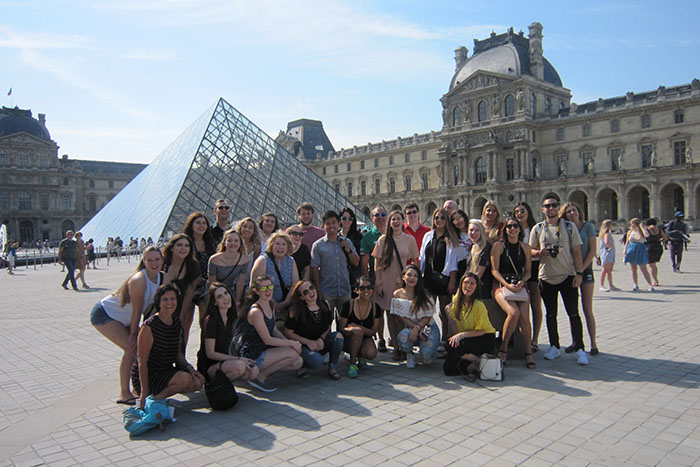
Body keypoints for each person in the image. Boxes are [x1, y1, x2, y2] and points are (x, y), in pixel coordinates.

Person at [91, 246, 165, 403]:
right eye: (149, 260)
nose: (154, 263)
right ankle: (124, 393)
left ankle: (135, 388)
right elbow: (137, 312)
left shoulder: (161, 278)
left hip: (123, 318)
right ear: (143, 261)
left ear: (162, 260)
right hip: (105, 314)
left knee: (140, 349)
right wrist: (133, 335)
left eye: (157, 259)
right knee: (132, 349)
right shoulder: (139, 279)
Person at [529, 195, 588, 365]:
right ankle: (554, 346)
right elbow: (530, 251)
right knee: (551, 314)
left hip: (568, 275)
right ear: (543, 209)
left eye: (554, 205)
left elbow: (577, 252)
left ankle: (580, 348)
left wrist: (579, 273)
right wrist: (540, 253)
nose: (551, 208)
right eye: (547, 206)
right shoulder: (538, 229)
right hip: (546, 276)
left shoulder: (569, 227)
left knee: (573, 313)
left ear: (558, 207)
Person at [133, 284, 204, 409]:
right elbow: (142, 362)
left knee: (197, 383)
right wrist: (144, 391)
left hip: (165, 369)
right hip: (149, 373)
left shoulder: (176, 322)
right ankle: (153, 400)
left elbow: (177, 354)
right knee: (184, 379)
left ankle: (160, 393)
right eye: (165, 299)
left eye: (173, 299)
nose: (169, 303)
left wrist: (191, 369)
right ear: (158, 302)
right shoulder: (150, 326)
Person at [234, 274, 303, 392]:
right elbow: (268, 339)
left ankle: (260, 372)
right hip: (253, 352)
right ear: (256, 291)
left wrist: (288, 342)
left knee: (297, 362)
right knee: (292, 354)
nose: (268, 291)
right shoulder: (256, 311)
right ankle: (260, 377)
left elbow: (274, 329)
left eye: (270, 287)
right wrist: (291, 344)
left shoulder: (270, 304)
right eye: (264, 288)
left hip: (265, 349)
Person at [373, 210, 419, 361]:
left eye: (398, 219)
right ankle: (397, 348)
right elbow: (377, 263)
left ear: (402, 220)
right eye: (393, 219)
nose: (395, 222)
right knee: (390, 316)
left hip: (402, 282)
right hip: (386, 281)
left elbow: (415, 261)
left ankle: (403, 345)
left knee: (402, 315)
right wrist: (378, 282)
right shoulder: (383, 240)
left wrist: (411, 277)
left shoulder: (410, 240)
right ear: (390, 222)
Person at [491, 217, 535, 368]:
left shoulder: (525, 248)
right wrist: (506, 285)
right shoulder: (498, 246)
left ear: (520, 229)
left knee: (524, 316)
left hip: (519, 284)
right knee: (513, 312)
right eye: (509, 226)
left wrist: (522, 281)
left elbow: (528, 272)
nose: (512, 229)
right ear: (505, 230)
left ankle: (528, 352)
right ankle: (503, 349)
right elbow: (494, 271)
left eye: (515, 226)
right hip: (500, 285)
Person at [196, 283, 258, 385]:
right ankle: (214, 386)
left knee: (254, 371)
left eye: (226, 293)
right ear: (215, 302)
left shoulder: (231, 317)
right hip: (209, 365)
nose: (226, 298)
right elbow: (210, 353)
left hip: (226, 361)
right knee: (240, 366)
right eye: (220, 296)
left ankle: (224, 385)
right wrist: (237, 359)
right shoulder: (211, 321)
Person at [285, 280, 344, 380]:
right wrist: (308, 342)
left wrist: (321, 338)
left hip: (319, 342)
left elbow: (328, 326)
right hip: (303, 345)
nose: (311, 292)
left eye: (311, 288)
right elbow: (288, 332)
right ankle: (302, 366)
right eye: (305, 292)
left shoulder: (325, 305)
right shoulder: (296, 310)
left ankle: (332, 367)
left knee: (338, 337)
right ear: (301, 297)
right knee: (317, 362)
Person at [443, 273, 497, 379]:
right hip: (468, 337)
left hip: (484, 337)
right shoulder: (456, 303)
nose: (468, 286)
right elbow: (454, 329)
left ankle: (480, 361)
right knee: (448, 369)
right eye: (466, 282)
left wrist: (461, 335)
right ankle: (475, 361)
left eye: (472, 283)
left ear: (476, 286)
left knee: (450, 346)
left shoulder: (479, 305)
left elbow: (482, 331)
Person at [561, 202, 599, 355]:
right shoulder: (566, 228)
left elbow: (592, 251)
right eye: (568, 211)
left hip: (585, 270)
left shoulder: (587, 226)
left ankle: (593, 343)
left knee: (587, 309)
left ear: (579, 211)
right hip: (570, 272)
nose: (572, 213)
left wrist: (580, 270)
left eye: (574, 210)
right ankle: (575, 341)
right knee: (573, 310)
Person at [310, 210, 359, 316]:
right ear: (323, 226)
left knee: (345, 323)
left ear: (338, 223)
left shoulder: (347, 242)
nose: (331, 226)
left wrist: (348, 250)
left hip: (344, 290)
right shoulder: (318, 246)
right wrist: (318, 290)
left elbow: (356, 262)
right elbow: (314, 269)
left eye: (334, 222)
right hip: (326, 291)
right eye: (328, 223)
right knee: (326, 323)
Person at [391, 265, 440, 368]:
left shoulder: (425, 295)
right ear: (403, 277)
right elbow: (401, 316)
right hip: (410, 328)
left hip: (428, 328)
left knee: (427, 357)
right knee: (402, 336)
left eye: (415, 276)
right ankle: (410, 355)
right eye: (409, 275)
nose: (412, 278)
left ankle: (429, 351)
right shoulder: (397, 294)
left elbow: (428, 317)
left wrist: (418, 328)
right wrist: (415, 329)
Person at [250, 231, 299, 329]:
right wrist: (273, 303)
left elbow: (295, 285)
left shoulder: (291, 261)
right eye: (277, 244)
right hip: (264, 305)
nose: (280, 247)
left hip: (285, 305)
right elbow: (254, 286)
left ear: (288, 247)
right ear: (271, 245)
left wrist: (285, 303)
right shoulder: (263, 260)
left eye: (283, 244)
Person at [513, 201, 543, 353]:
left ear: (528, 212)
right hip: (517, 270)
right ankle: (521, 337)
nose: (519, 213)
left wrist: (533, 252)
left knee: (536, 305)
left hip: (534, 268)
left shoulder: (536, 229)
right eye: (517, 211)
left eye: (522, 210)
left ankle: (535, 339)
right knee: (520, 305)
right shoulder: (513, 229)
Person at [161, 233, 200, 347]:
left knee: (179, 335)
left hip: (181, 303)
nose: (183, 248)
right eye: (179, 245)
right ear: (172, 247)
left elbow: (189, 292)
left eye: (187, 246)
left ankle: (180, 359)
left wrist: (182, 314)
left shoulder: (193, 265)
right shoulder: (162, 263)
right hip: (161, 305)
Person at [339, 277, 382, 377]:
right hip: (348, 339)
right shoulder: (347, 305)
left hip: (365, 338)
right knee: (357, 332)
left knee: (371, 354)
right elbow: (341, 329)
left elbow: (373, 332)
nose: (366, 291)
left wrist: (358, 327)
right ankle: (352, 364)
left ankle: (360, 355)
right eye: (362, 288)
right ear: (356, 290)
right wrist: (353, 330)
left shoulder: (376, 308)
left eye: (369, 287)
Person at [360, 205, 388, 351]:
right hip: (376, 280)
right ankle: (381, 338)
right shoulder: (368, 237)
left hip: (393, 278)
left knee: (393, 312)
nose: (381, 217)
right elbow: (364, 262)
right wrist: (367, 282)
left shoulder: (394, 233)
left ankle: (396, 340)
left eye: (383, 214)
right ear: (372, 218)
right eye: (377, 215)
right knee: (379, 311)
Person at [183, 212, 217, 311]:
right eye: (198, 223)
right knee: (185, 317)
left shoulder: (210, 243)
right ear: (191, 225)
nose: (201, 226)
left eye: (204, 223)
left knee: (204, 313)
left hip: (206, 283)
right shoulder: (185, 243)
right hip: (189, 282)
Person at [207, 229, 250, 309]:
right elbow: (212, 283)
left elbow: (240, 283)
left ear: (240, 243)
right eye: (229, 240)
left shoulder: (244, 259)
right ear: (225, 243)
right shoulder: (214, 259)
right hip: (214, 288)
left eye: (236, 241)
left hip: (231, 288)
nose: (233, 243)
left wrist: (238, 301)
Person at [623, 218, 655, 291]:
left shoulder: (642, 231)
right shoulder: (630, 231)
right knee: (633, 268)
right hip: (631, 248)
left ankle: (650, 285)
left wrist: (642, 227)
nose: (631, 225)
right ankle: (635, 285)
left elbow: (646, 235)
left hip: (640, 248)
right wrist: (624, 251)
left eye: (632, 223)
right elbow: (627, 242)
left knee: (643, 268)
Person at [467, 220, 494, 301]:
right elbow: (469, 268)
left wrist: (467, 288)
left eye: (477, 230)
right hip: (473, 284)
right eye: (471, 230)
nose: (473, 233)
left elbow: (479, 273)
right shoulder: (472, 246)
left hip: (482, 288)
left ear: (481, 232)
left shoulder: (485, 248)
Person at [340, 207, 363, 286]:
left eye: (350, 218)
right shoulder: (335, 236)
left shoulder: (358, 237)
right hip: (340, 273)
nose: (347, 221)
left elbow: (360, 260)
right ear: (340, 220)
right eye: (344, 218)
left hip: (354, 275)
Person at [643, 218, 666, 286]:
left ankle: (655, 281)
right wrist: (658, 240)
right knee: (654, 265)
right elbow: (665, 238)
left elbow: (645, 236)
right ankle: (656, 279)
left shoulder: (647, 229)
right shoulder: (659, 229)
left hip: (650, 247)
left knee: (651, 265)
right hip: (658, 247)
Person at [451, 209, 472, 281]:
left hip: (474, 265)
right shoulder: (454, 237)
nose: (458, 221)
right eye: (455, 220)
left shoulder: (473, 232)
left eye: (459, 218)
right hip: (461, 268)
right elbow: (453, 259)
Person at [597, 219, 618, 291]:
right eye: (611, 225)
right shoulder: (607, 234)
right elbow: (607, 242)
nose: (612, 226)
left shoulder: (606, 233)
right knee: (605, 269)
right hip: (607, 253)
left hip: (608, 253)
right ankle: (601, 285)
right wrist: (610, 246)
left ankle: (611, 285)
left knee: (609, 270)